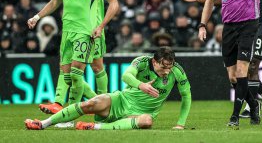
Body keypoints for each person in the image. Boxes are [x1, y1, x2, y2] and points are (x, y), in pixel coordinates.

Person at [27, 0, 119, 118]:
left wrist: (101, 26)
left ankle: (73, 109)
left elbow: (114, 3)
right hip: (67, 30)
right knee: (66, 72)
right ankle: (99, 107)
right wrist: (37, 16)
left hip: (88, 31)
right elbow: (55, 2)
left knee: (86, 70)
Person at [25, 46, 191, 130]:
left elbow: (186, 96)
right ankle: (43, 124)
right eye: (164, 67)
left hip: (139, 113)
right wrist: (141, 85)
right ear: (154, 62)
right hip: (121, 101)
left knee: (147, 121)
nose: (167, 71)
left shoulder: (177, 72)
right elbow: (125, 76)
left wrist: (180, 124)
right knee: (89, 104)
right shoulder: (142, 62)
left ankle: (95, 127)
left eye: (170, 67)